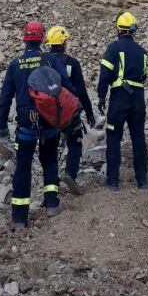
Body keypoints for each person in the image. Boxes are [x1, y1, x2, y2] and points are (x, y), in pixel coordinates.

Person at [0, 20, 76, 231]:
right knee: (49, 159)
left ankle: (19, 219)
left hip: (25, 123)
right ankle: (51, 204)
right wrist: (71, 114)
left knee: (23, 167)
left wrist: (2, 125)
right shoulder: (49, 59)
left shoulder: (15, 64)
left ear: (24, 39)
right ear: (42, 39)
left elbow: (5, 97)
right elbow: (66, 86)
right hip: (48, 120)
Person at [97, 12, 148, 191]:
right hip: (138, 99)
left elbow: (105, 74)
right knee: (138, 138)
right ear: (133, 30)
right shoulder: (142, 52)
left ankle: (113, 181)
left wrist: (101, 95)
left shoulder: (113, 48)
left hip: (119, 98)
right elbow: (143, 77)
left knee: (113, 137)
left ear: (118, 29)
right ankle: (142, 180)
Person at [46, 25, 95, 195]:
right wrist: (89, 112)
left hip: (47, 111)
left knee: (49, 146)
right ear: (63, 42)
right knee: (75, 143)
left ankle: (50, 184)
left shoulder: (43, 61)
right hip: (68, 110)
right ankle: (70, 174)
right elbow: (80, 90)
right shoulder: (72, 63)